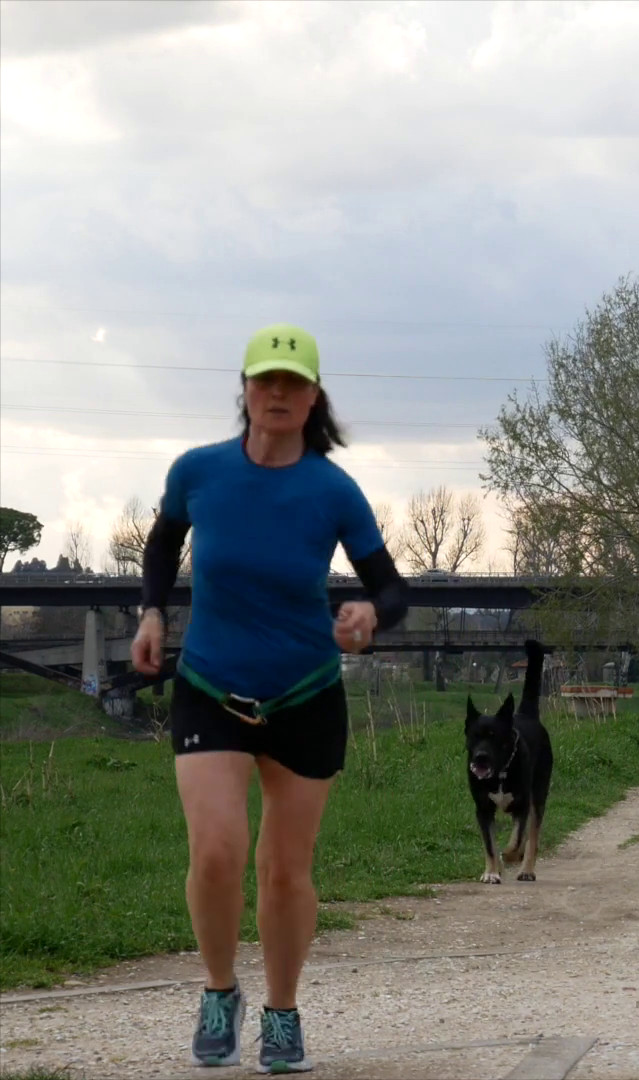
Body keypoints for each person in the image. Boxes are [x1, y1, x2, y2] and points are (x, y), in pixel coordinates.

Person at [132, 324, 407, 1074]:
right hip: (210, 687)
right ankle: (220, 990)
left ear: (315, 396)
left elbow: (389, 585)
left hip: (306, 693)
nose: (278, 394)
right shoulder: (199, 472)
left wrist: (368, 614)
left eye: (293, 383)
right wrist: (153, 611)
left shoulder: (331, 488)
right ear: (246, 389)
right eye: (265, 381)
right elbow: (162, 546)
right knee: (216, 851)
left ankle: (283, 1013)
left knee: (285, 869)